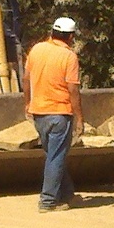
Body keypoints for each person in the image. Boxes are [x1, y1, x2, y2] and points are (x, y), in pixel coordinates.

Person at [22, 16, 84, 213]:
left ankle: (67, 194)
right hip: (59, 113)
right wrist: (79, 117)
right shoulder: (69, 57)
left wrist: (27, 103)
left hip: (39, 113)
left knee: (54, 156)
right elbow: (73, 89)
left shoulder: (37, 49)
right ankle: (48, 201)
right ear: (71, 36)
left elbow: (26, 79)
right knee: (56, 157)